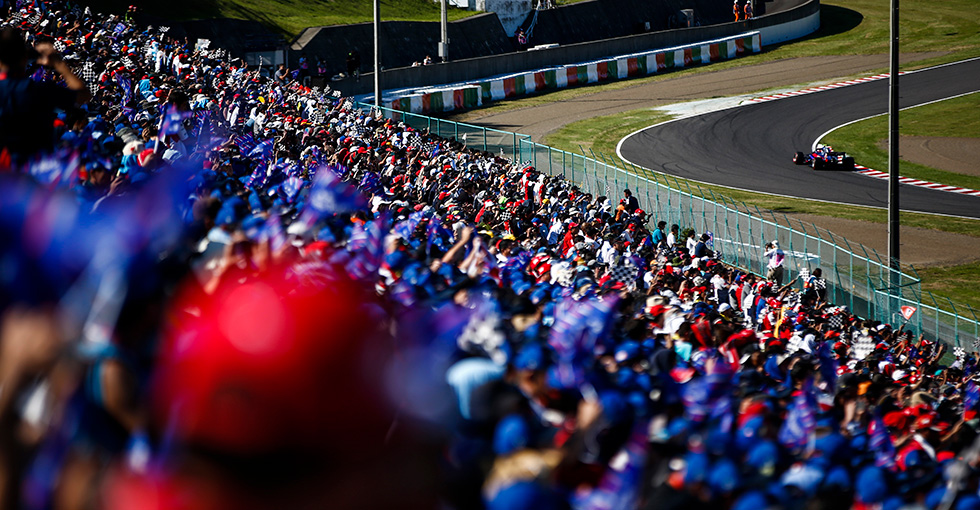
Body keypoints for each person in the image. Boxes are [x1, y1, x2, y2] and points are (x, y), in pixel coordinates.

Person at [0, 27, 90, 163]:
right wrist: (58, 63)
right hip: (32, 171)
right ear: (24, 57)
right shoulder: (40, 90)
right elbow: (84, 95)